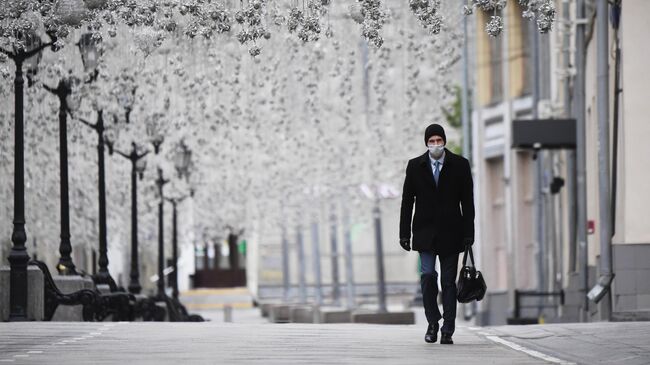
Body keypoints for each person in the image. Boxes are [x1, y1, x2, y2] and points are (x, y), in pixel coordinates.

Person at [399, 123, 475, 345]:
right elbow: (406, 202)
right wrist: (404, 233)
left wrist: (468, 233)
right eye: (431, 141)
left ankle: (448, 328)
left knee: (448, 282)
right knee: (428, 276)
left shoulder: (460, 165)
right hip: (424, 233)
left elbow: (467, 202)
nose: (435, 145)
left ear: (444, 141)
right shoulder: (415, 166)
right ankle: (433, 322)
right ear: (426, 143)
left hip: (452, 233)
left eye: (438, 140)